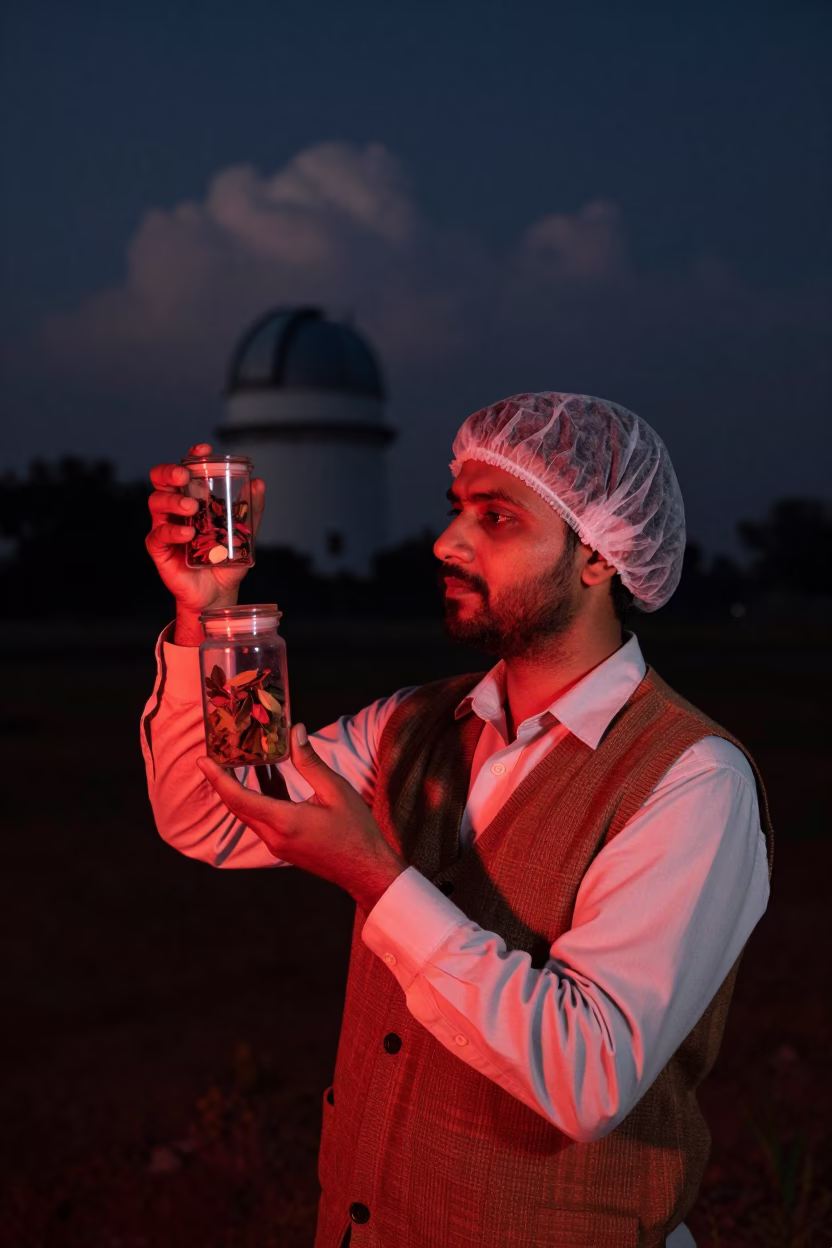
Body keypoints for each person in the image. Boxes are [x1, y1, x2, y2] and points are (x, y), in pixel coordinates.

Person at [141, 393, 773, 1248]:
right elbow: (207, 816)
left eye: (497, 518)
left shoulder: (692, 782)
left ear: (598, 553)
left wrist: (375, 876)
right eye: (455, 511)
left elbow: (589, 1076)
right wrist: (208, 614)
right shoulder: (411, 725)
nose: (446, 541)